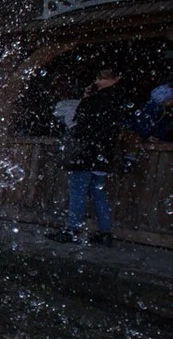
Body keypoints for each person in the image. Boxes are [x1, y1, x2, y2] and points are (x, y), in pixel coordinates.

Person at [47, 68, 129, 245]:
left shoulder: (97, 99)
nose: (98, 81)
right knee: (97, 192)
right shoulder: (120, 100)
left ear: (114, 79)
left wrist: (86, 98)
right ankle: (104, 233)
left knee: (78, 191)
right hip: (104, 152)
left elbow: (80, 120)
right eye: (98, 78)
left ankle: (72, 230)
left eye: (103, 78)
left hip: (86, 152)